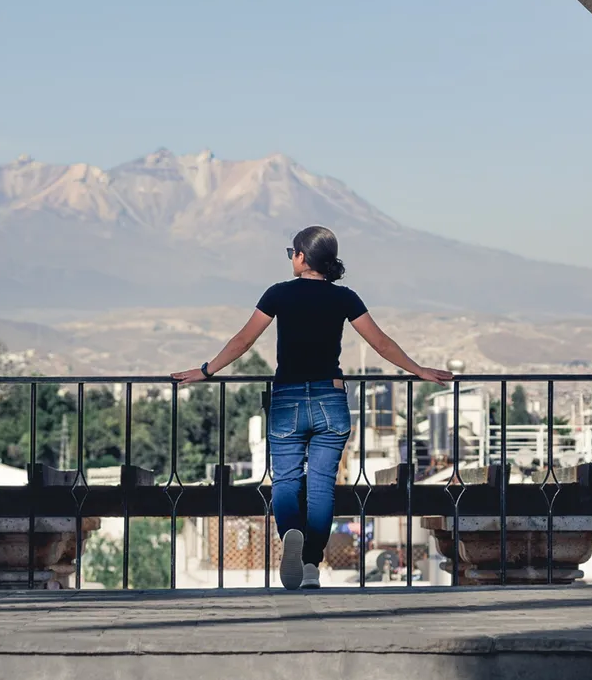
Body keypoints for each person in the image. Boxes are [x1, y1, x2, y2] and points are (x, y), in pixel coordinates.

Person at [172, 225, 454, 590]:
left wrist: (206, 370)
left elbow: (243, 340)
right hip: (329, 400)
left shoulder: (278, 294)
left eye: (292, 252)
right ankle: (309, 566)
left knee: (286, 481)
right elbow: (381, 343)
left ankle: (291, 532)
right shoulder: (345, 298)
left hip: (287, 399)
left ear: (302, 257)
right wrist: (419, 370)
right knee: (321, 486)